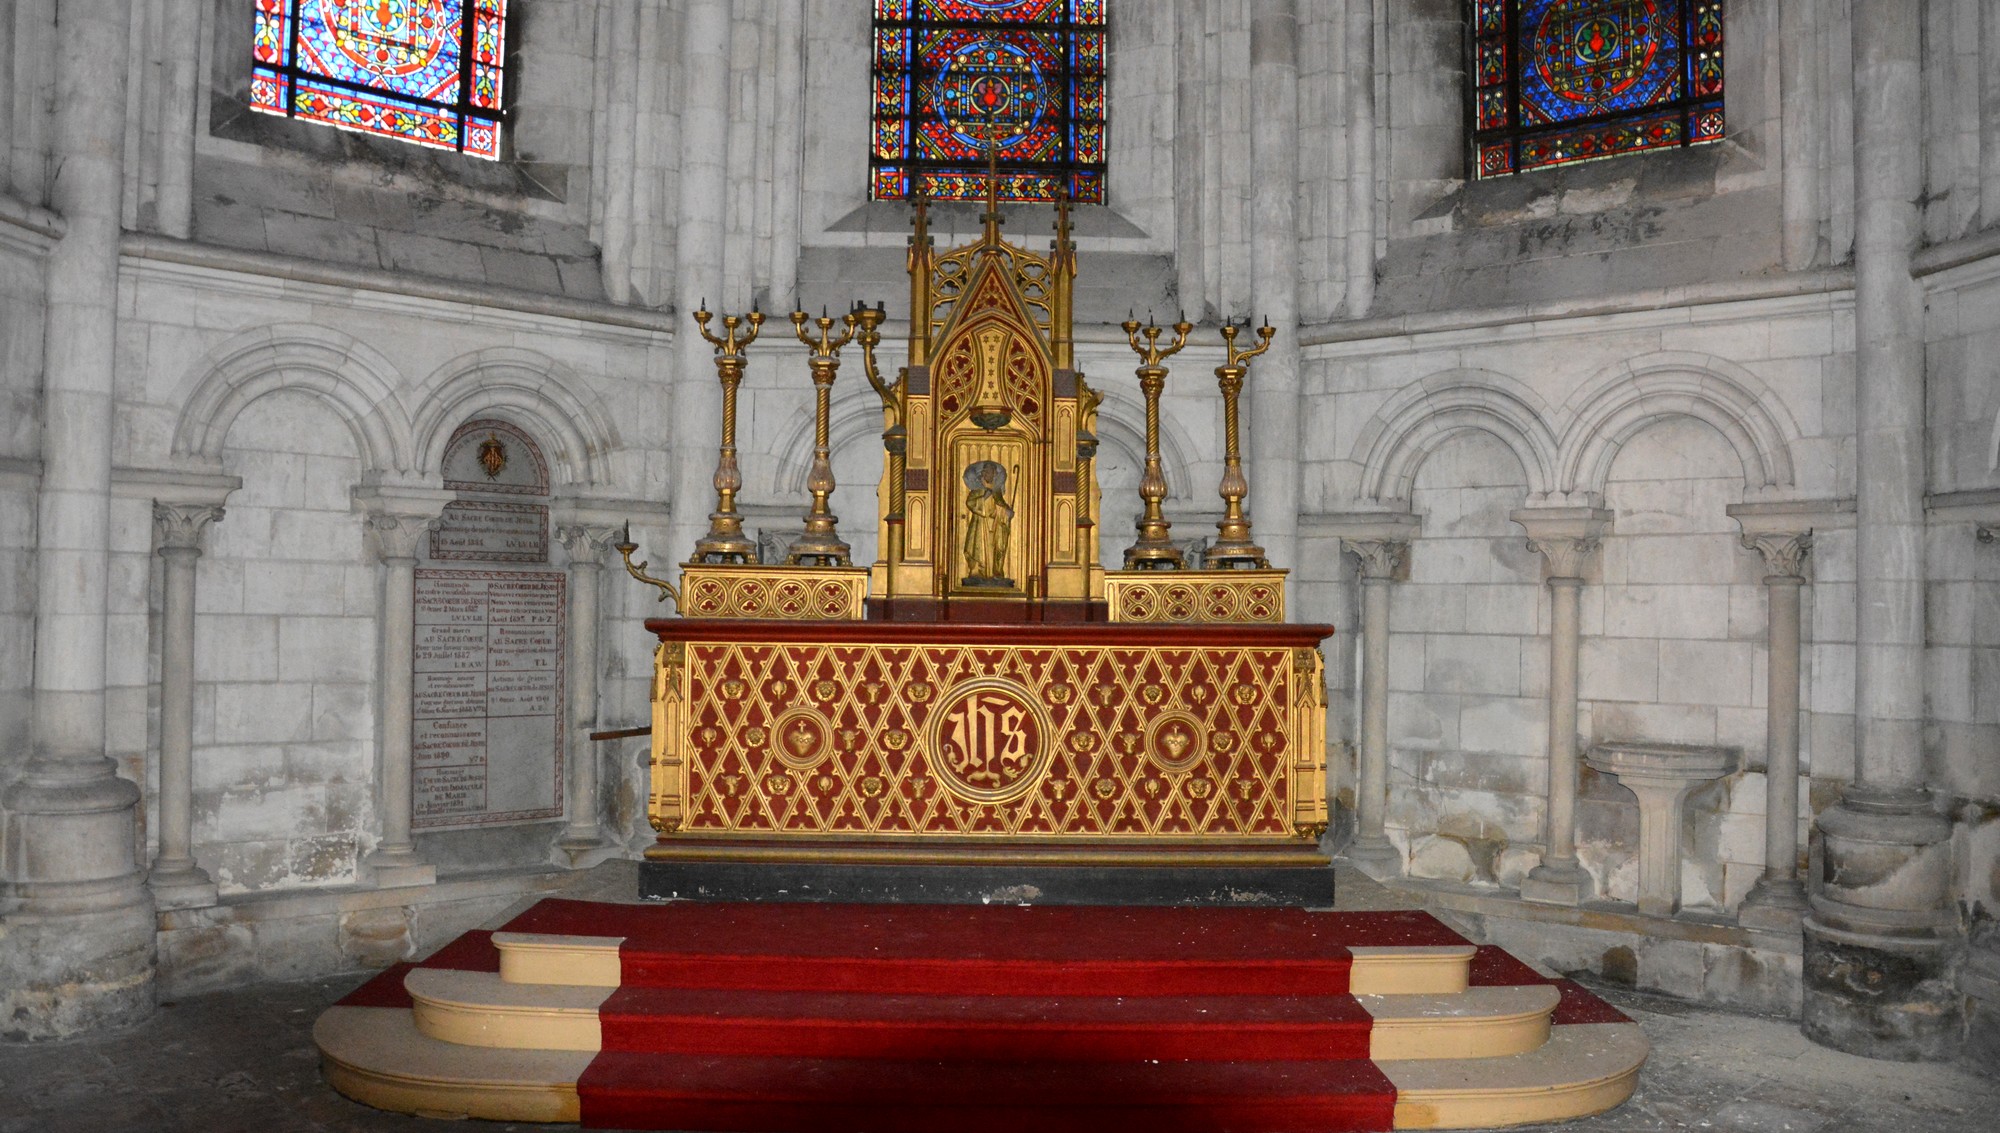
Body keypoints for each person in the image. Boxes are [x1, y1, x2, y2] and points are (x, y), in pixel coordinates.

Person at [962, 460, 1013, 584]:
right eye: (984, 470)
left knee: (997, 548)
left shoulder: (997, 492)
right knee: (979, 550)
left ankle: (996, 573)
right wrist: (984, 497)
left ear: (994, 474)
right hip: (980, 526)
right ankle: (977, 573)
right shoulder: (977, 490)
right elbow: (970, 503)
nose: (985, 473)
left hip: (995, 527)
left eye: (988, 471)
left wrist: (1007, 512)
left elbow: (1000, 506)